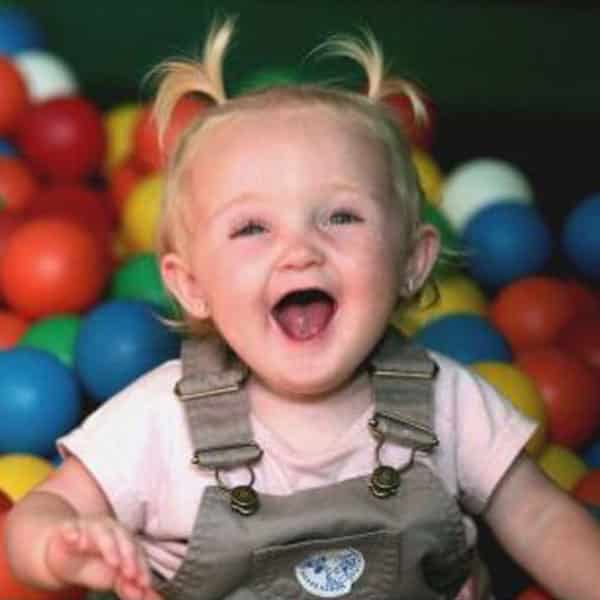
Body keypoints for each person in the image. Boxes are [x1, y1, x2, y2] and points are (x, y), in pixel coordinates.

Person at [5, 17, 600, 600]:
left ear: (413, 261)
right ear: (192, 286)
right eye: (252, 227)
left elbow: (544, 520)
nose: (299, 250)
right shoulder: (161, 419)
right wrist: (62, 545)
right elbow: (40, 512)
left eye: (340, 216)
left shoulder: (449, 401)